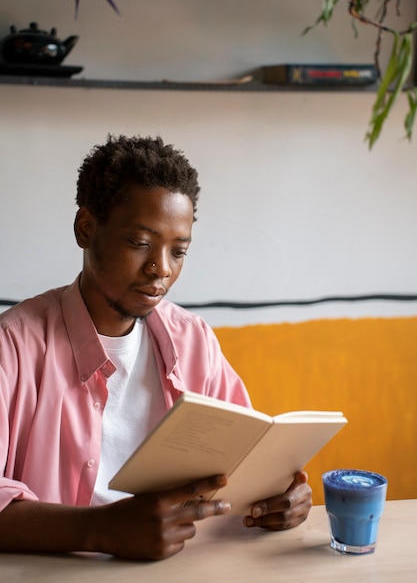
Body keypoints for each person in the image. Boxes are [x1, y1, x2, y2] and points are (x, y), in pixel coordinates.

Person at [0, 134, 312, 561]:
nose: (161, 269)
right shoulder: (14, 346)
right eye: (141, 243)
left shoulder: (194, 340)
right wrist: (101, 531)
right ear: (86, 229)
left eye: (178, 251)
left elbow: (243, 461)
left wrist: (278, 498)